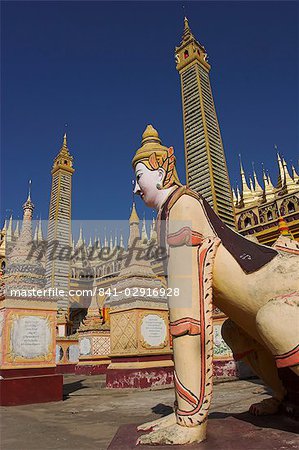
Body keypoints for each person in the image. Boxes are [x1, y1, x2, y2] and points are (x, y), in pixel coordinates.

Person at [133, 125, 299, 446]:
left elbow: (187, 323)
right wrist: (180, 411)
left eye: (139, 176)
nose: (135, 188)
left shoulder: (183, 208)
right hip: (269, 297)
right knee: (233, 331)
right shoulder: (169, 214)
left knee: (273, 320)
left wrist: (190, 422)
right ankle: (283, 394)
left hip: (285, 294)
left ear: (162, 171)